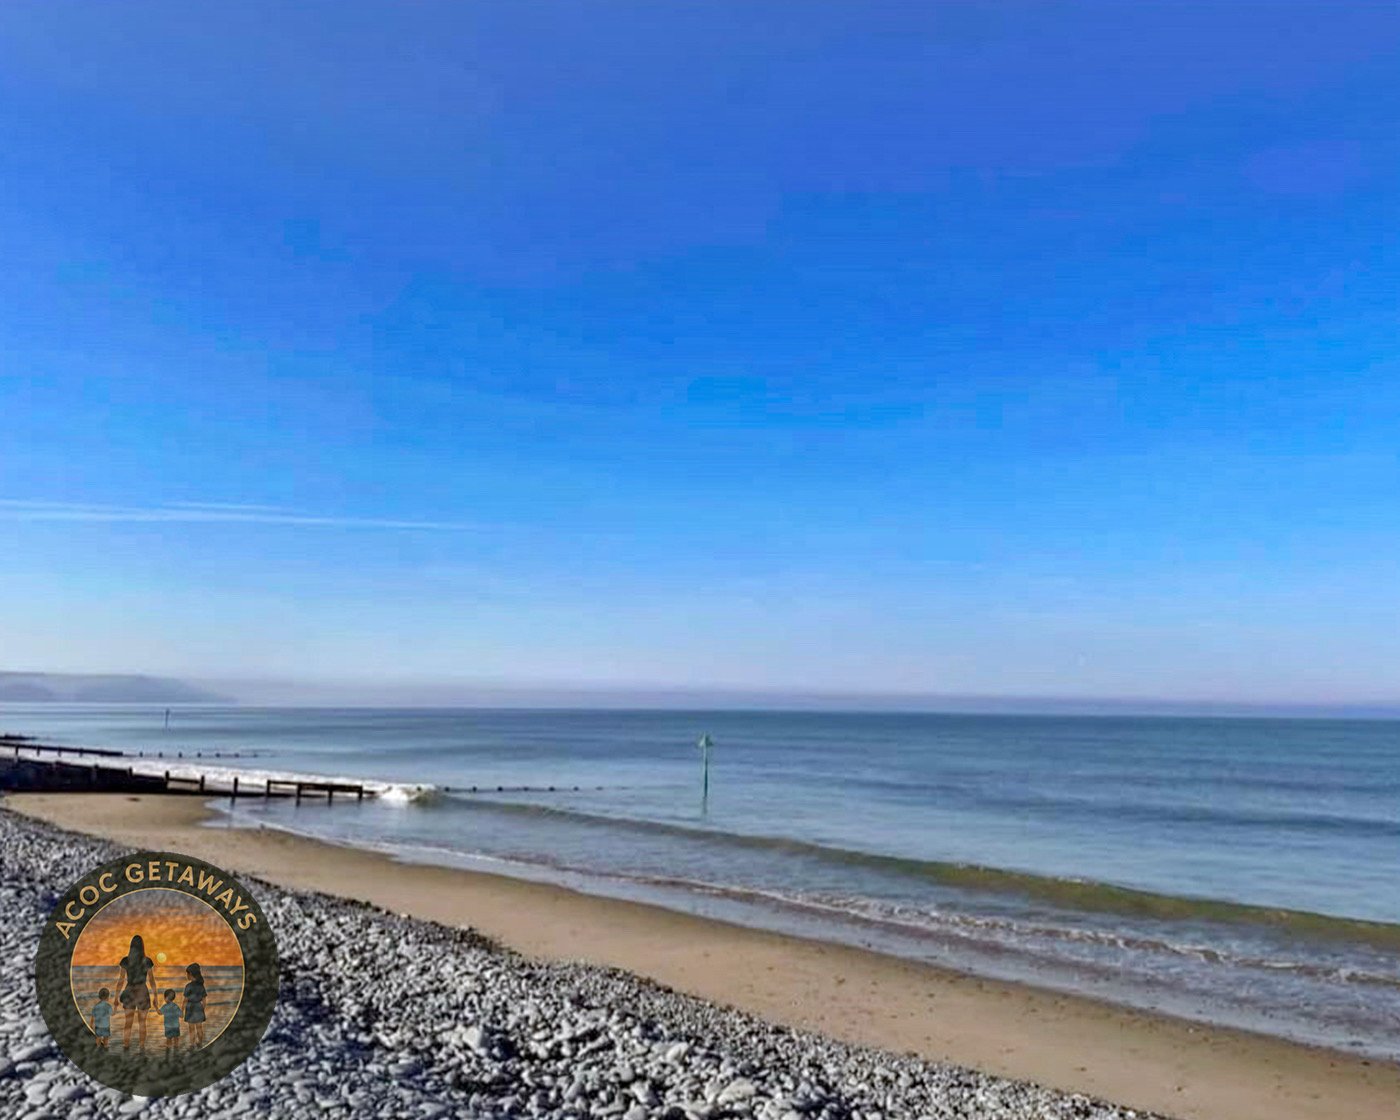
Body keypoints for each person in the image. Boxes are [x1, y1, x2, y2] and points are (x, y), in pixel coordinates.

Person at [114, 935, 155, 1051]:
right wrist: (155, 996)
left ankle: (126, 1047)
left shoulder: (126, 960)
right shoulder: (147, 961)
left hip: (129, 991)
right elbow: (152, 980)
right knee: (142, 1023)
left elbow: (121, 980)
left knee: (128, 1023)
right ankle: (142, 1048)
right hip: (142, 990)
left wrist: (116, 997)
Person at [182, 963, 207, 1049]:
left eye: (187, 973)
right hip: (199, 1007)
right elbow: (204, 1000)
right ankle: (200, 1043)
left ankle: (192, 1044)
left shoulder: (188, 986)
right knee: (199, 1027)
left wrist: (182, 1010)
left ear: (191, 974)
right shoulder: (201, 986)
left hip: (190, 1007)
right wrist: (202, 1008)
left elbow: (185, 1000)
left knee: (191, 1028)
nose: (186, 975)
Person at [159, 989, 182, 1055]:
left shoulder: (165, 1007)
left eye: (164, 997)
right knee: (176, 1038)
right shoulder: (176, 1006)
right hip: (176, 1026)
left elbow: (159, 1013)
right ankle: (176, 1049)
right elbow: (181, 1015)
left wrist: (155, 1006)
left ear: (166, 998)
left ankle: (168, 1049)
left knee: (169, 1039)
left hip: (168, 1026)